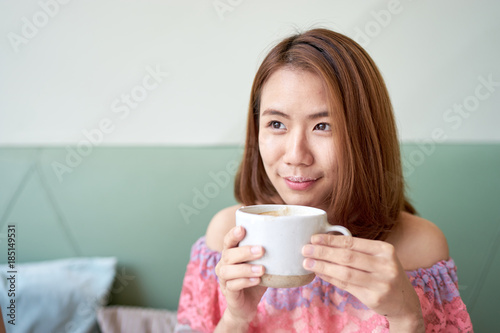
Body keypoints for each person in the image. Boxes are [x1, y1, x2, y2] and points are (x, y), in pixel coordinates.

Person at [175, 28, 473, 332]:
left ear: (365, 137)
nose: (296, 155)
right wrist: (236, 318)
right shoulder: (227, 238)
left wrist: (405, 318)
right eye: (276, 123)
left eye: (323, 126)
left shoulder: (420, 248)